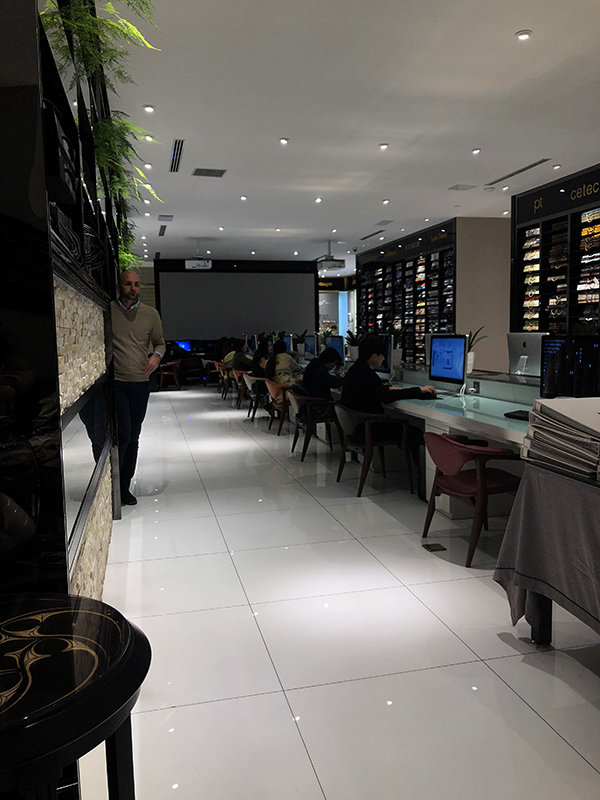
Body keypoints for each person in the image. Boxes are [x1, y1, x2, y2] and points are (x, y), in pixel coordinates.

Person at [112, 270, 165, 505]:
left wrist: (156, 356)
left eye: (136, 284)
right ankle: (115, 485)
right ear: (118, 287)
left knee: (133, 435)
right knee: (123, 434)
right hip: (117, 382)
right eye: (128, 284)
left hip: (141, 383)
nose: (133, 288)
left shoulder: (150, 314)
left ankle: (124, 486)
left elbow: (160, 342)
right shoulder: (108, 311)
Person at [340, 336, 435, 460]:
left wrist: (389, 388)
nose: (384, 358)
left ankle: (413, 468)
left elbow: (375, 391)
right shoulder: (367, 374)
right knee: (413, 431)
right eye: (382, 355)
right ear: (374, 356)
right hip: (369, 429)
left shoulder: (355, 370)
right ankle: (417, 468)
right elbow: (387, 397)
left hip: (357, 428)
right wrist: (419, 391)